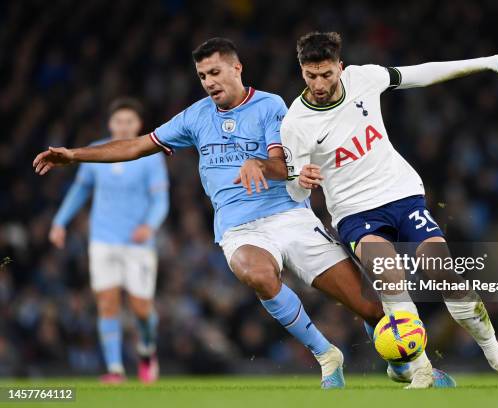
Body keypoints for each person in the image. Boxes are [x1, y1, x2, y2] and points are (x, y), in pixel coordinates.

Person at [35, 38, 455, 389]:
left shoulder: (272, 106)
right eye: (202, 76)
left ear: (237, 68)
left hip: (291, 216)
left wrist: (259, 165)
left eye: (215, 73)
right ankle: (326, 354)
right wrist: (76, 154)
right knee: (255, 272)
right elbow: (137, 144)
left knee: (370, 309)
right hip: (239, 227)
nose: (209, 82)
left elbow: (286, 166)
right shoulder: (195, 117)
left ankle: (408, 365)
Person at [278, 31, 498, 388]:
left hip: (402, 195)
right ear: (302, 72)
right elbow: (293, 190)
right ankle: (421, 369)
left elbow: (422, 73)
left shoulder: (364, 78)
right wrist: (300, 181)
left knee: (442, 272)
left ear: (341, 66)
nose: (319, 83)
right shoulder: (295, 124)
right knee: (389, 274)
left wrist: (490, 63)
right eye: (311, 75)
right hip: (355, 214)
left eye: (327, 74)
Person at [49, 98, 169, 384]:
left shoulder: (150, 155)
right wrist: (59, 221)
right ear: (110, 124)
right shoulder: (96, 153)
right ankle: (115, 370)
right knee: (107, 304)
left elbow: (160, 199)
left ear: (138, 125)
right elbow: (80, 191)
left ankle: (146, 349)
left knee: (141, 309)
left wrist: (149, 226)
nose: (124, 126)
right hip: (102, 239)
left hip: (137, 244)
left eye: (130, 121)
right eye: (119, 121)